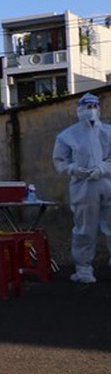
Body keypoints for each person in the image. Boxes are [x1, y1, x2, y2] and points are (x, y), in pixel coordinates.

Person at [52, 93, 111, 284]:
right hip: (84, 187)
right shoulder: (68, 135)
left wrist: (102, 168)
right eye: (87, 107)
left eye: (94, 106)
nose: (91, 110)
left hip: (108, 183)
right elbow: (59, 161)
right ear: (79, 110)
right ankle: (84, 269)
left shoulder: (108, 132)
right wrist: (74, 169)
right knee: (85, 228)